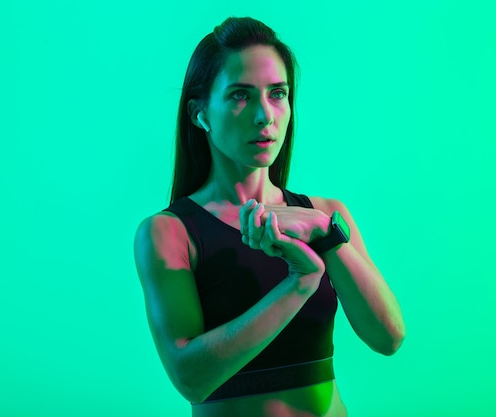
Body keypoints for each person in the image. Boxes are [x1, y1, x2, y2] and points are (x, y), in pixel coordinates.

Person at [133, 16, 405, 417]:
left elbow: (388, 337)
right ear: (200, 114)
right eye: (240, 95)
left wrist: (327, 235)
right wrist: (300, 283)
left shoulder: (327, 215)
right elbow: (190, 377)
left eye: (277, 93)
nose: (265, 116)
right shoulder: (169, 233)